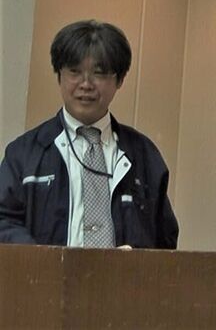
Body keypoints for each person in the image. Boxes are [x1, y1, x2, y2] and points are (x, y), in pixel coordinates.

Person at [0, 19, 178, 249]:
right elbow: (3, 221)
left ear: (119, 80)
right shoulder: (24, 154)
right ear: (59, 75)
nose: (86, 84)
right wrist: (41, 260)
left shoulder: (144, 155)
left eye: (99, 73)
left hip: (124, 274)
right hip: (46, 272)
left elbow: (165, 238)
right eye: (74, 72)